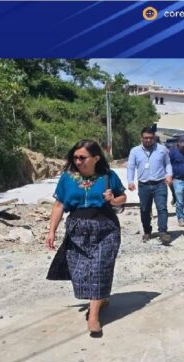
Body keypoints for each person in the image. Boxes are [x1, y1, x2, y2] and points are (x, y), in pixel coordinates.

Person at [46, 140, 127, 337]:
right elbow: (59, 205)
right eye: (75, 157)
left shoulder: (108, 176)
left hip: (105, 228)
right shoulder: (67, 178)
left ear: (96, 158)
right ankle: (100, 297)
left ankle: (94, 316)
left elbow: (122, 198)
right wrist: (51, 231)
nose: (78, 161)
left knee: (100, 268)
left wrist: (112, 199)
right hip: (77, 229)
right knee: (81, 270)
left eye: (82, 157)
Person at [126, 127, 173, 244]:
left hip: (160, 184)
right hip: (144, 185)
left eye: (151, 138)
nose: (148, 140)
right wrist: (130, 181)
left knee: (162, 208)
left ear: (154, 138)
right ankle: (147, 231)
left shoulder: (162, 149)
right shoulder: (134, 151)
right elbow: (131, 167)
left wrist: (169, 175)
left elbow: (168, 164)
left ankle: (163, 232)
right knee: (144, 209)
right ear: (141, 138)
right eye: (146, 138)